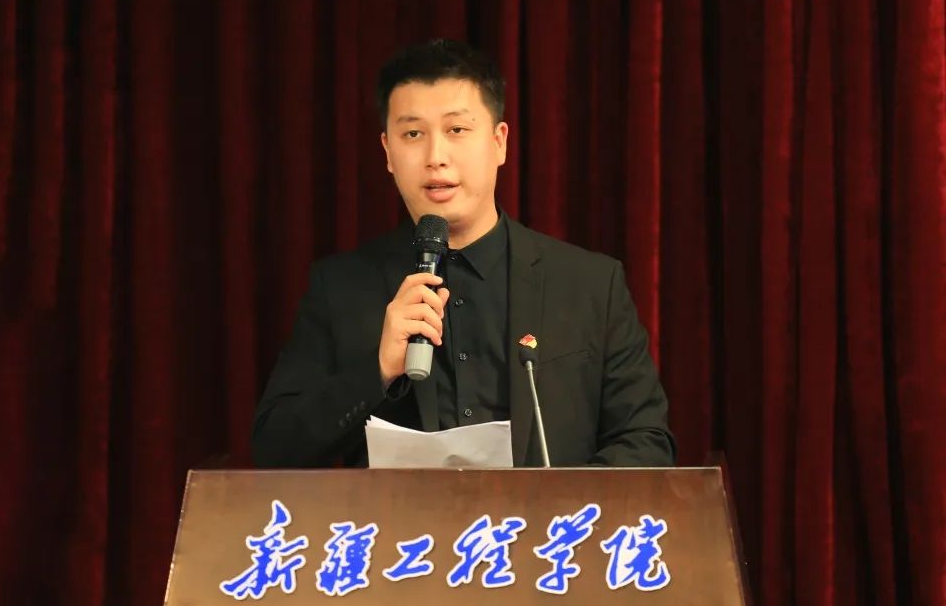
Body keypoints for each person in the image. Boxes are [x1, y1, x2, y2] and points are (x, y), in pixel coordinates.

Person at [251, 38, 675, 468]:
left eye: (456, 130)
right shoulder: (340, 289)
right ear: (388, 153)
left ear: (499, 142)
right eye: (413, 134)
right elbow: (274, 448)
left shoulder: (589, 285)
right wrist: (376, 371)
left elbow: (645, 441)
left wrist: (559, 506)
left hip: (549, 516)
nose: (436, 157)